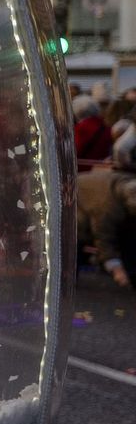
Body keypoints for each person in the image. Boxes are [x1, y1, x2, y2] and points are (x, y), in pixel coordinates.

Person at [77, 128, 136, 288]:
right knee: (77, 240)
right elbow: (104, 239)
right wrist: (118, 272)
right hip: (78, 210)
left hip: (83, 196)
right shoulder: (108, 208)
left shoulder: (126, 183)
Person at [73, 94, 113, 164]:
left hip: (82, 169)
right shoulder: (106, 127)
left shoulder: (80, 129)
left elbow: (75, 151)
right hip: (100, 168)